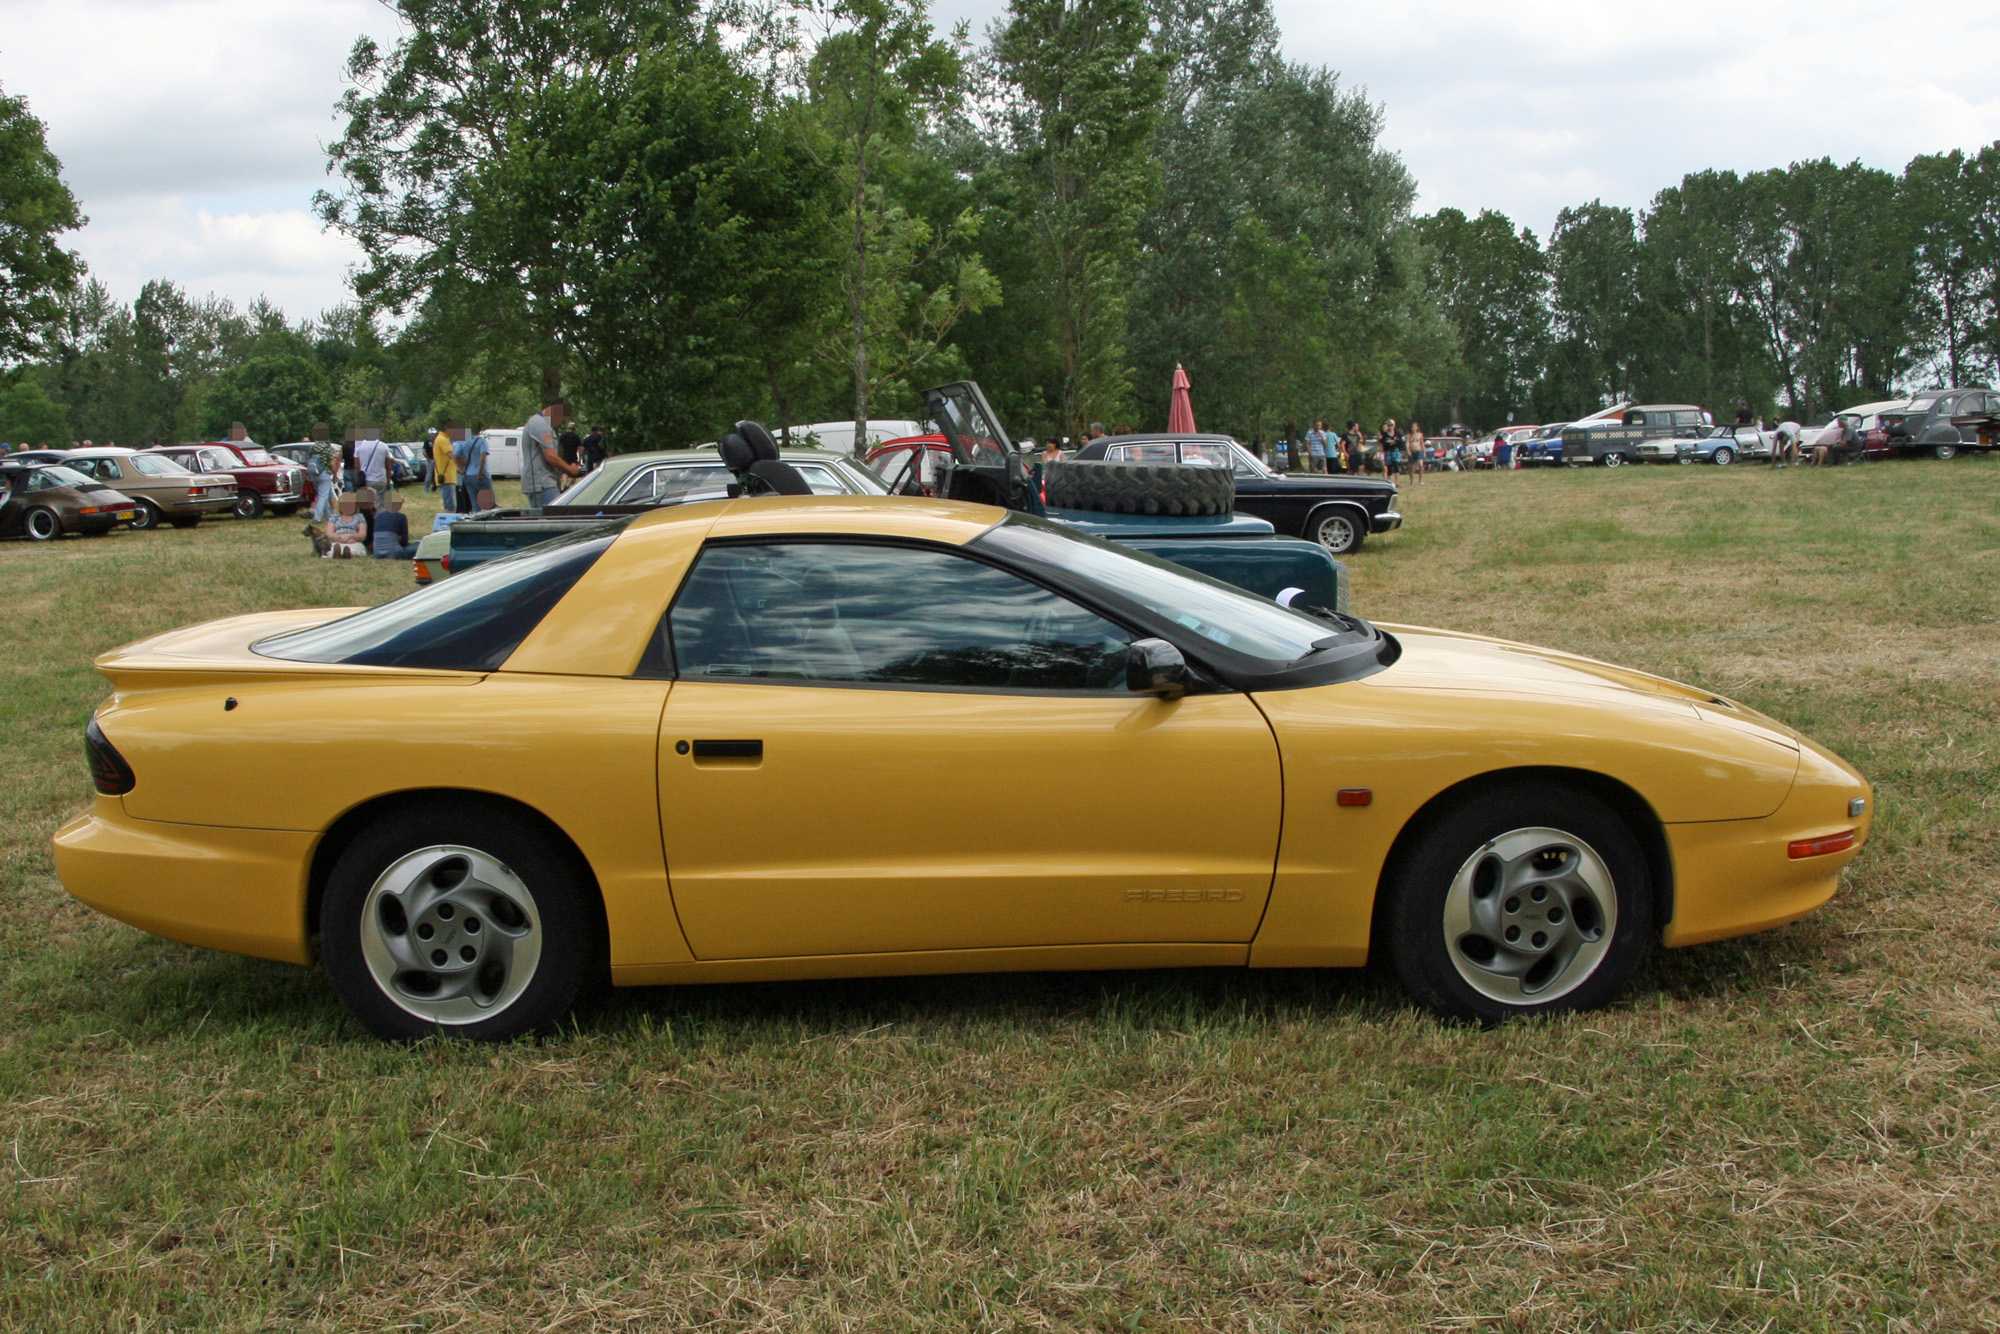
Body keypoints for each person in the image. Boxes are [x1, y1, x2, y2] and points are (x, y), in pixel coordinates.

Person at [521, 398, 580, 508]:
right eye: (562, 417)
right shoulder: (540, 424)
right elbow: (550, 456)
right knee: (558, 519)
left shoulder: (541, 424)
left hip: (544, 482)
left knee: (546, 521)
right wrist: (570, 469)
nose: (562, 421)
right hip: (542, 484)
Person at [456, 420, 495, 511]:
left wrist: (461, 471)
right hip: (481, 475)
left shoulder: (463, 442)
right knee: (487, 504)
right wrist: (480, 472)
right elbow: (482, 458)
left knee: (474, 503)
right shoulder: (482, 441)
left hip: (468, 475)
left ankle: (475, 519)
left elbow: (454, 456)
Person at [371, 492, 419, 559]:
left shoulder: (378, 516)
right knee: (419, 544)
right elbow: (404, 541)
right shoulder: (401, 516)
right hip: (393, 553)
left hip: (377, 553)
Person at [325, 493, 367, 558]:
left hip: (353, 542)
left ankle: (347, 554)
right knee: (332, 548)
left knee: (356, 549)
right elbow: (329, 533)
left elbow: (362, 534)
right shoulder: (334, 517)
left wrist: (350, 536)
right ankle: (337, 553)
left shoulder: (359, 517)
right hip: (337, 542)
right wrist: (339, 538)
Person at [308, 435, 339, 522]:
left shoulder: (312, 448)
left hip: (314, 474)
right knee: (322, 496)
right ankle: (317, 517)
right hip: (324, 474)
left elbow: (308, 460)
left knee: (323, 494)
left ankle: (329, 516)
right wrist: (335, 475)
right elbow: (332, 464)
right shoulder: (327, 450)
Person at [432, 426, 459, 512]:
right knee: (450, 507)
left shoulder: (441, 439)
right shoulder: (442, 439)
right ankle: (446, 524)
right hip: (447, 478)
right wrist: (462, 469)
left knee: (450, 505)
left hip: (447, 477)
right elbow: (451, 455)